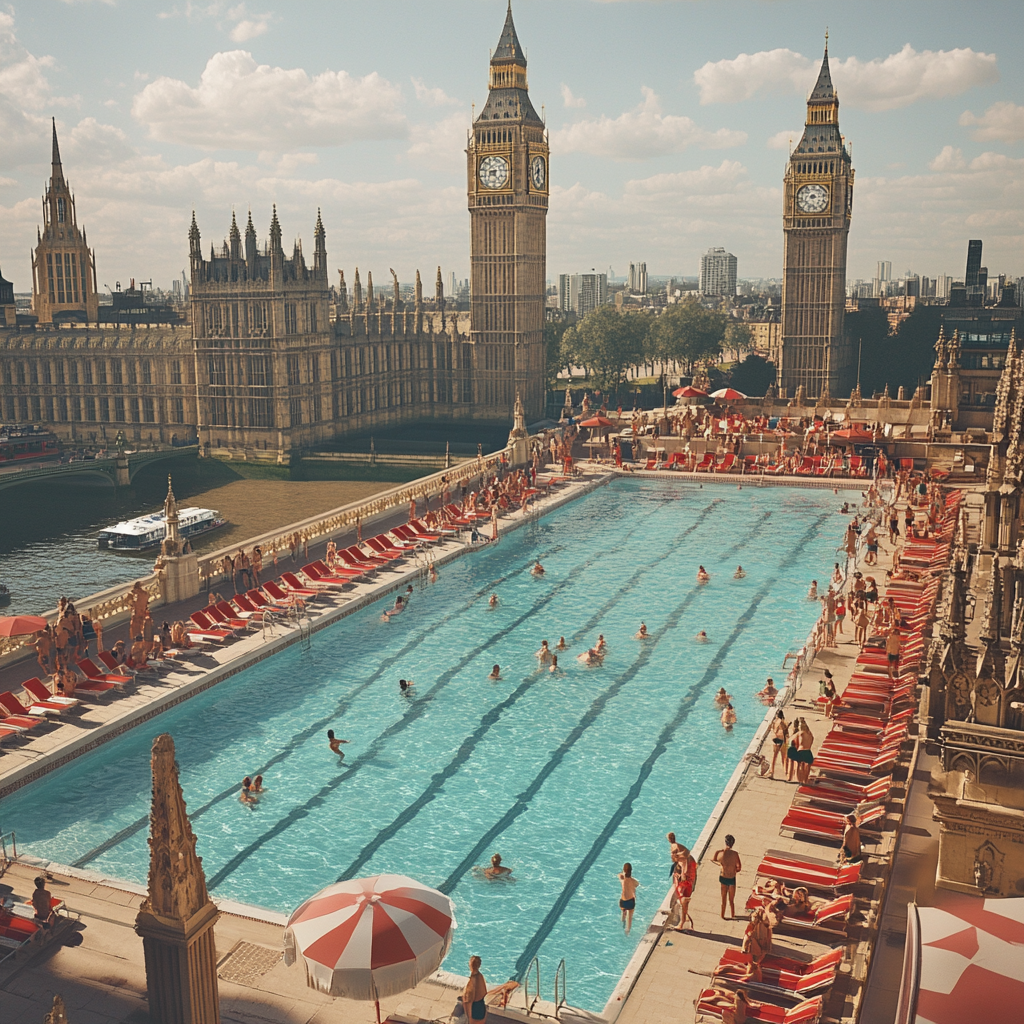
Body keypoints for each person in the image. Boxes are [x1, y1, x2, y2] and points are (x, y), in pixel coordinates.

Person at [712, 834, 742, 919]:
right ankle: (733, 915)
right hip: (731, 878)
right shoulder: (735, 854)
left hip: (723, 876)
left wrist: (721, 865)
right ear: (733, 844)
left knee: (723, 898)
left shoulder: (720, 853)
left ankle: (722, 915)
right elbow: (739, 867)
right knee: (731, 899)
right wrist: (734, 870)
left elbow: (713, 859)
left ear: (725, 843)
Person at [741, 906, 772, 982]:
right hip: (756, 945)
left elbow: (747, 936)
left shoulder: (761, 926)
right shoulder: (764, 926)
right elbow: (747, 935)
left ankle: (753, 978)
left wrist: (744, 948)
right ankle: (754, 978)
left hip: (757, 945)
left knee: (753, 963)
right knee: (754, 963)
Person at [669, 846, 697, 932]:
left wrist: (680, 876)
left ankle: (682, 923)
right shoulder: (688, 859)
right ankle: (683, 921)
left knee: (682, 901)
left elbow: (684, 876)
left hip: (685, 884)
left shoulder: (683, 861)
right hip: (689, 883)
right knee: (683, 902)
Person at [462, 956, 489, 1024]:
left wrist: (468, 1016)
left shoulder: (472, 980)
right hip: (481, 1006)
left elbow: (468, 1001)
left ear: (470, 965)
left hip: (474, 1009)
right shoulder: (480, 976)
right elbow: (484, 993)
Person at [618, 863, 640, 934]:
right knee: (629, 919)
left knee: (623, 914)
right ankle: (627, 932)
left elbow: (619, 875)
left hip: (622, 902)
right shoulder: (633, 881)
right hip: (630, 902)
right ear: (631, 871)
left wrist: (623, 873)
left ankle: (622, 924)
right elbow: (637, 885)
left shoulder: (622, 879)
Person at [769, 710, 787, 779]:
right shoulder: (783, 722)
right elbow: (786, 732)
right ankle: (786, 772)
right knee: (784, 758)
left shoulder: (775, 722)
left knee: (774, 757)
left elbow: (774, 730)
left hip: (775, 740)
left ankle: (772, 772)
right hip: (782, 740)